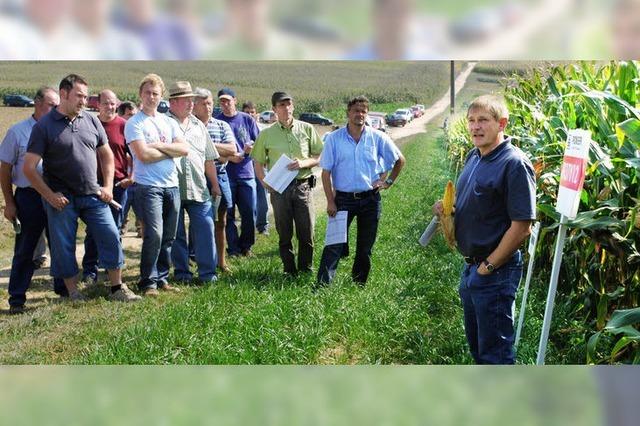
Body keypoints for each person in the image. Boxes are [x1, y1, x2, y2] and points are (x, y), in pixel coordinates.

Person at [432, 95, 535, 364]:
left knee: (496, 355)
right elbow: (475, 205)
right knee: (479, 348)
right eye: (471, 121)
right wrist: (449, 210)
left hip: (494, 272)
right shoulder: (475, 156)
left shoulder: (513, 164)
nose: (475, 127)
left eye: (483, 121)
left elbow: (522, 227)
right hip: (471, 269)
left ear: (502, 123)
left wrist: (487, 268)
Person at [23, 74, 140, 302]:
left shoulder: (91, 120)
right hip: (62, 199)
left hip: (93, 194)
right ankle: (73, 293)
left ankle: (117, 288)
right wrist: (49, 196)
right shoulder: (44, 126)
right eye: (79, 96)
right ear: (63, 94)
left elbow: (106, 155)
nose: (84, 102)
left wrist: (106, 186)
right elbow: (29, 167)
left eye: (86, 97)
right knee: (63, 245)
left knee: (110, 234)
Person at [317, 95, 405, 286]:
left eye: (363, 111)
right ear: (348, 113)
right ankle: (323, 285)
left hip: (370, 200)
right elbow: (325, 173)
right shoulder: (334, 139)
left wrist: (387, 181)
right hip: (343, 200)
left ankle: (358, 283)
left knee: (365, 247)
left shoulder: (378, 137)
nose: (360, 114)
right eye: (356, 110)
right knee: (334, 243)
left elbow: (400, 160)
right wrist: (331, 201)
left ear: (367, 114)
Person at [0, 86, 67, 313]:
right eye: (52, 105)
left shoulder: (60, 130)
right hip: (29, 196)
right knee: (26, 248)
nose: (56, 110)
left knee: (59, 242)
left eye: (58, 106)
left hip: (56, 193)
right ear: (38, 103)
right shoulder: (18, 132)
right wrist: (9, 202)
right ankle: (17, 298)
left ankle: (63, 289)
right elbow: (5, 169)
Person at [124, 73, 189, 296]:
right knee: (155, 234)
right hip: (148, 186)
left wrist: (159, 146)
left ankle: (162, 278)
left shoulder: (168, 121)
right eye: (147, 93)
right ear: (140, 95)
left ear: (161, 96)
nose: (151, 97)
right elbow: (143, 155)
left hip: (172, 186)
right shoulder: (134, 123)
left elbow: (184, 149)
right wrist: (169, 149)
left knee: (169, 236)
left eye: (155, 93)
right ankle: (147, 282)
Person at [253, 91, 323, 276]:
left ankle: (306, 269)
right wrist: (264, 181)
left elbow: (319, 155)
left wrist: (303, 163)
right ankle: (289, 271)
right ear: (275, 109)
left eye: (288, 104)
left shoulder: (307, 128)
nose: (286, 108)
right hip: (280, 190)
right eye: (281, 105)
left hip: (303, 186)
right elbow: (258, 161)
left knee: (307, 233)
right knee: (284, 234)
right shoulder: (266, 134)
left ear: (293, 106)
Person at [166, 81, 221, 283]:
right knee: (177, 233)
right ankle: (182, 274)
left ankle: (208, 274)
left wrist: (214, 185)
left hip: (199, 188)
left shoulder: (198, 125)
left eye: (192, 100)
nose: (191, 103)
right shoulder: (163, 124)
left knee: (206, 230)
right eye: (186, 100)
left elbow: (208, 159)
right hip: (173, 188)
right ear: (173, 101)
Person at [81, 89, 134, 285]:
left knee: (115, 228)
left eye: (113, 103)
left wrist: (132, 177)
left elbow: (134, 154)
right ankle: (90, 270)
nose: (110, 107)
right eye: (106, 103)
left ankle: (111, 268)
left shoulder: (124, 126)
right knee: (93, 230)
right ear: (97, 104)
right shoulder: (89, 124)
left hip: (119, 185)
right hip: (93, 186)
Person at [192, 87, 238, 273]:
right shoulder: (189, 126)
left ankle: (221, 261)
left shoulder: (221, 126)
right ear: (194, 105)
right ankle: (193, 258)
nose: (208, 107)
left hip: (220, 175)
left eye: (210, 103)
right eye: (203, 103)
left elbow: (232, 150)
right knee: (198, 219)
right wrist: (218, 153)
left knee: (221, 220)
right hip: (196, 176)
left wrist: (204, 145)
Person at [214, 87, 260, 257]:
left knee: (250, 212)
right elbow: (211, 147)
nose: (225, 104)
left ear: (235, 100)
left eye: (228, 100)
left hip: (247, 173)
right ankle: (233, 249)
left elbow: (258, 142)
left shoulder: (247, 119)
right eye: (222, 101)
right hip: (226, 174)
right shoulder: (216, 121)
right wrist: (231, 157)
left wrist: (248, 150)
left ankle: (246, 246)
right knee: (229, 214)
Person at [243, 100, 269, 235]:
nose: (249, 115)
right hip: (245, 167)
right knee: (249, 200)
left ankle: (263, 225)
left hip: (260, 165)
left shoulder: (263, 129)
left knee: (262, 198)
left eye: (252, 112)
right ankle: (250, 226)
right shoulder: (241, 127)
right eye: (246, 112)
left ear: (256, 114)